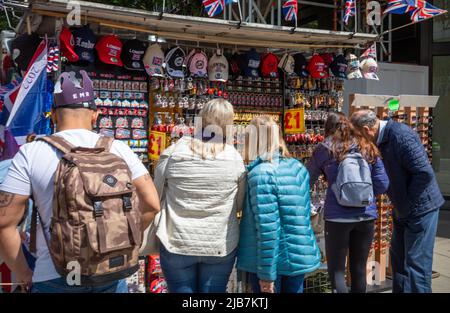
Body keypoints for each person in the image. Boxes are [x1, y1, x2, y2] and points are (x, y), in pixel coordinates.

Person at [0, 70, 160, 293]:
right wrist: (119, 238)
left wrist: (25, 273)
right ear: (95, 114)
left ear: (53, 114)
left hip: (54, 274)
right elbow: (152, 204)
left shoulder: (31, 152)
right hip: (110, 272)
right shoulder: (119, 149)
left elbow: (4, 223)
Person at [154, 98, 246, 293]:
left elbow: (156, 195)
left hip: (176, 241)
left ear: (201, 119)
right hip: (218, 243)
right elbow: (239, 205)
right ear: (229, 124)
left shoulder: (174, 152)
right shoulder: (234, 158)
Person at [351, 110, 444, 293]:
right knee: (398, 261)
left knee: (416, 265)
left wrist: (407, 204)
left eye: (358, 135)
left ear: (367, 129)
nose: (358, 140)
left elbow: (424, 174)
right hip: (403, 209)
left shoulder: (401, 136)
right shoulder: (379, 140)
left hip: (421, 209)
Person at [237, 115, 321, 293]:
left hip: (270, 264)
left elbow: (268, 230)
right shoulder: (297, 168)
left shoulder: (260, 174)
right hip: (297, 256)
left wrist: (266, 275)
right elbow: (304, 216)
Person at [306, 112, 389, 293]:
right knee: (359, 269)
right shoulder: (367, 147)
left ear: (328, 129)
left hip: (337, 219)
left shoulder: (325, 149)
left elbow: (306, 180)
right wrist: (362, 196)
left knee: (337, 271)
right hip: (366, 217)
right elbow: (383, 184)